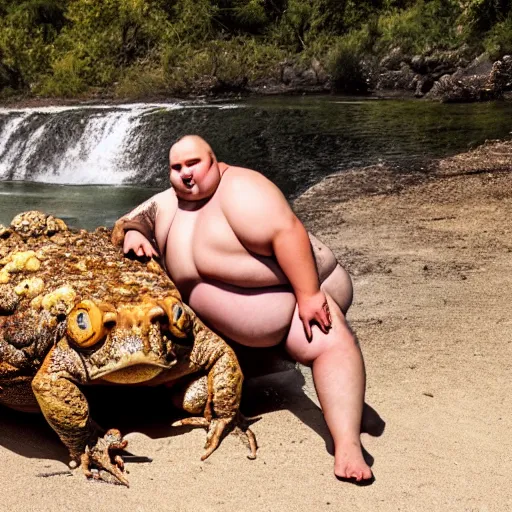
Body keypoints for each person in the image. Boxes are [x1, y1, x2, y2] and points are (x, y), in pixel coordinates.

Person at [112, 135, 373, 482]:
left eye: (194, 164)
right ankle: (263, 362)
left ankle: (347, 447)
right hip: (241, 327)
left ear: (215, 161)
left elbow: (287, 232)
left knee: (327, 340)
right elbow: (136, 215)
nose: (186, 174)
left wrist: (309, 295)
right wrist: (135, 233)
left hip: (298, 290)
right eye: (177, 168)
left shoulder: (241, 190)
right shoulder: (170, 201)